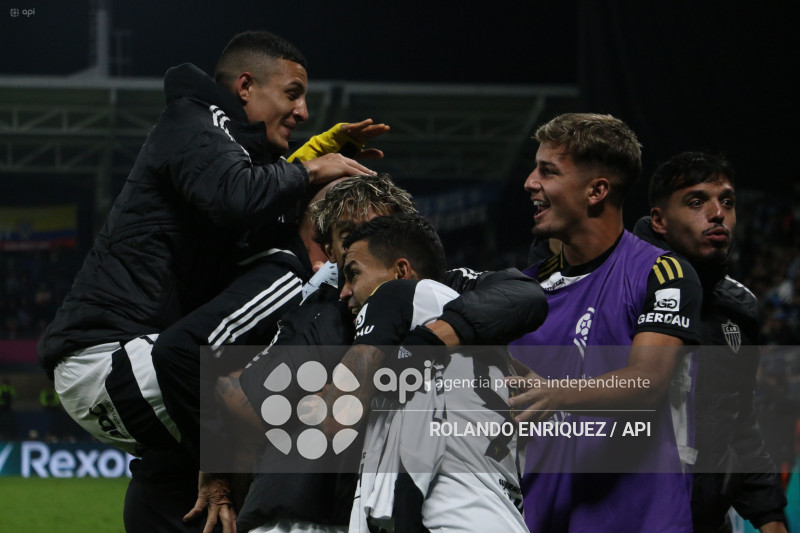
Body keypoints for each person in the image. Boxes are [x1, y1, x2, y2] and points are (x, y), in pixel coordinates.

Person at [37, 29, 381, 533]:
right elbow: (238, 198)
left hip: (122, 370)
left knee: (254, 412)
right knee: (286, 405)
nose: (304, 111)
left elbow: (249, 198)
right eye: (293, 94)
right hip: (111, 358)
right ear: (245, 86)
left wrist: (310, 156)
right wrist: (310, 170)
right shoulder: (194, 119)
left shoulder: (221, 148)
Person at [230, 175, 547, 532]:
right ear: (331, 250)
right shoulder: (314, 315)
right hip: (301, 510)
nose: (368, 235)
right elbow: (253, 396)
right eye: (349, 233)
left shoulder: (442, 286)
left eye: (381, 225)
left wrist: (429, 341)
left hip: (406, 503)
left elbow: (525, 296)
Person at [507, 113, 703, 532]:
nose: (529, 182)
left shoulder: (661, 273)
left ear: (596, 191)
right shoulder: (522, 291)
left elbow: (647, 381)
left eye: (547, 171)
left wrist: (555, 394)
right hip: (541, 519)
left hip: (641, 522)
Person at [632, 151, 787, 532]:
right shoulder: (624, 288)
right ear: (659, 220)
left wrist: (770, 517)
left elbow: (739, 422)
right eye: (696, 201)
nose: (717, 213)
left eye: (727, 202)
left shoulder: (741, 306)